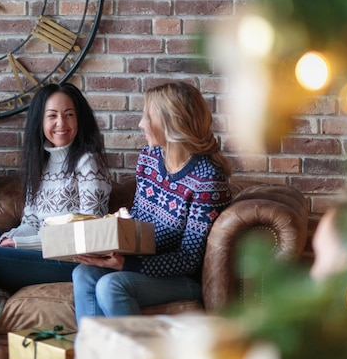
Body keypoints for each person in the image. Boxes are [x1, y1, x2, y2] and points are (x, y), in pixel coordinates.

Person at [0, 82, 112, 359]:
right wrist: (12, 237)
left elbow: (87, 231)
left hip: (70, 258)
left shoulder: (87, 162)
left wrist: (22, 243)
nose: (61, 124)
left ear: (80, 119)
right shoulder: (37, 164)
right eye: (52, 116)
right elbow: (30, 219)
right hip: (35, 251)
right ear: (40, 121)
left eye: (69, 115)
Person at [71, 81, 232, 325]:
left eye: (147, 116)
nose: (140, 124)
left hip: (182, 278)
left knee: (110, 286)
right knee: (83, 272)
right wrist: (115, 236)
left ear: (171, 123)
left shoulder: (207, 179)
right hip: (142, 259)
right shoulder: (149, 157)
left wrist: (128, 263)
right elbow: (140, 216)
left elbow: (189, 259)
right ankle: (94, 358)